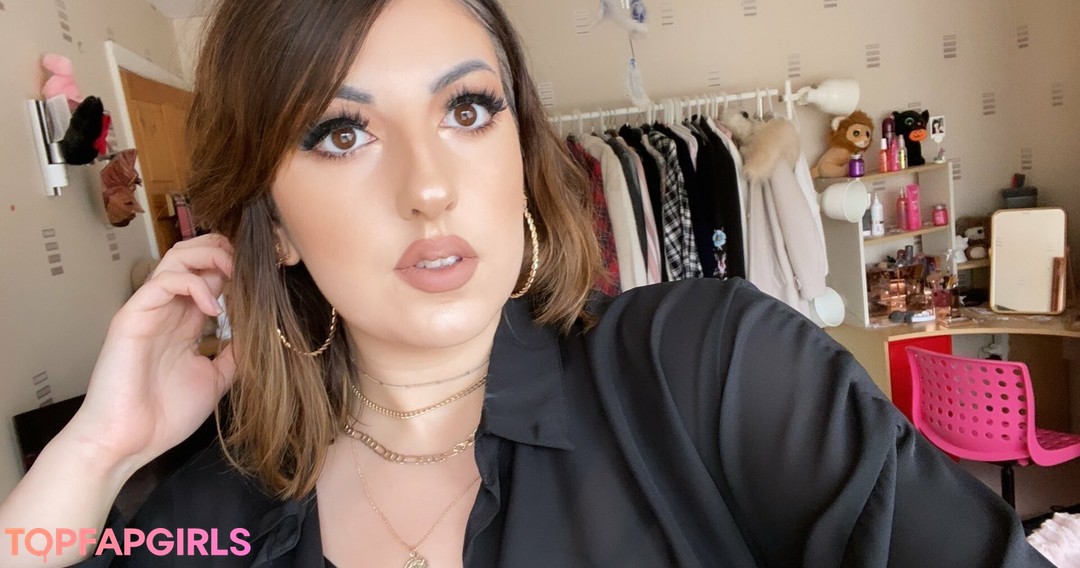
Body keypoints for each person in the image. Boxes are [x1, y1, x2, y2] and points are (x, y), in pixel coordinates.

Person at [0, 0, 1052, 566]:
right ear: (272, 228)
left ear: (518, 153)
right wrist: (96, 451)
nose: (429, 186)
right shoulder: (218, 513)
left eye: (467, 111)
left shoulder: (708, 369)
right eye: (342, 132)